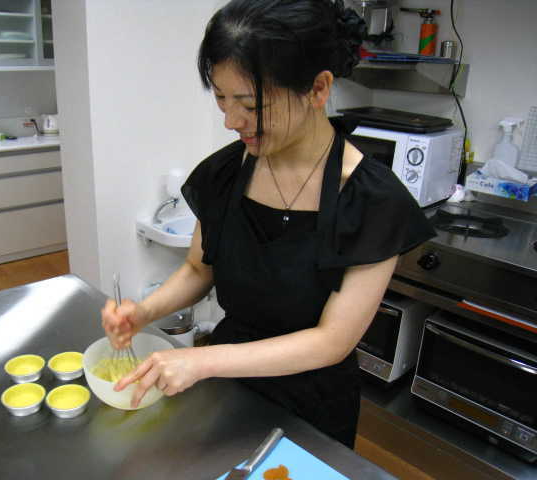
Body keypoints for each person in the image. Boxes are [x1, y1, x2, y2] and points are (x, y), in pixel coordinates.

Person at [102, 0, 435, 449]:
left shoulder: (371, 201)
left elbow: (331, 341)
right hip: (229, 390)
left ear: (317, 89)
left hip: (313, 406)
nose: (230, 121)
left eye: (250, 104)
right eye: (221, 98)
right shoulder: (225, 173)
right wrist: (143, 313)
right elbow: (198, 270)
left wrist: (201, 362)